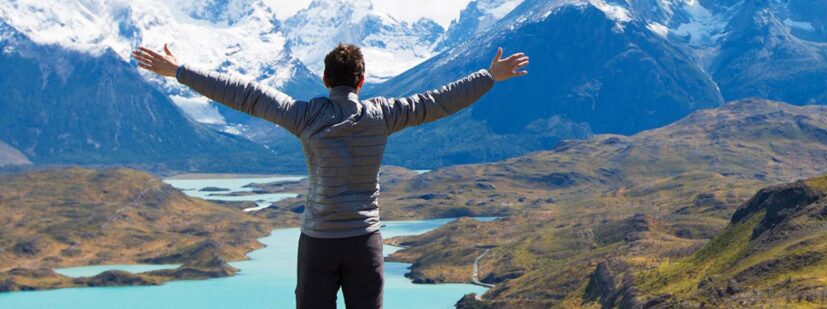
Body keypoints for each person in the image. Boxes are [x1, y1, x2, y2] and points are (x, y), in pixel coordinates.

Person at [132, 43, 529, 309]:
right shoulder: (383, 115)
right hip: (365, 244)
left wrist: (181, 71)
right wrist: (489, 76)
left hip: (319, 242)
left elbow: (245, 93)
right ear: (361, 81)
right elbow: (438, 102)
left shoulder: (305, 117)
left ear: (325, 80)